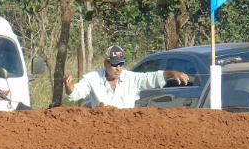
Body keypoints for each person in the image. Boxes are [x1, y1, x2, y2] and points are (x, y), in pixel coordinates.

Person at [63, 45, 191, 108]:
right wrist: (69, 86)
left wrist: (171, 73)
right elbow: (76, 93)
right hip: (101, 128)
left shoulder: (131, 78)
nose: (118, 68)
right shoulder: (93, 78)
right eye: (114, 64)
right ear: (105, 63)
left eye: (121, 64)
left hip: (126, 127)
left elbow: (150, 78)